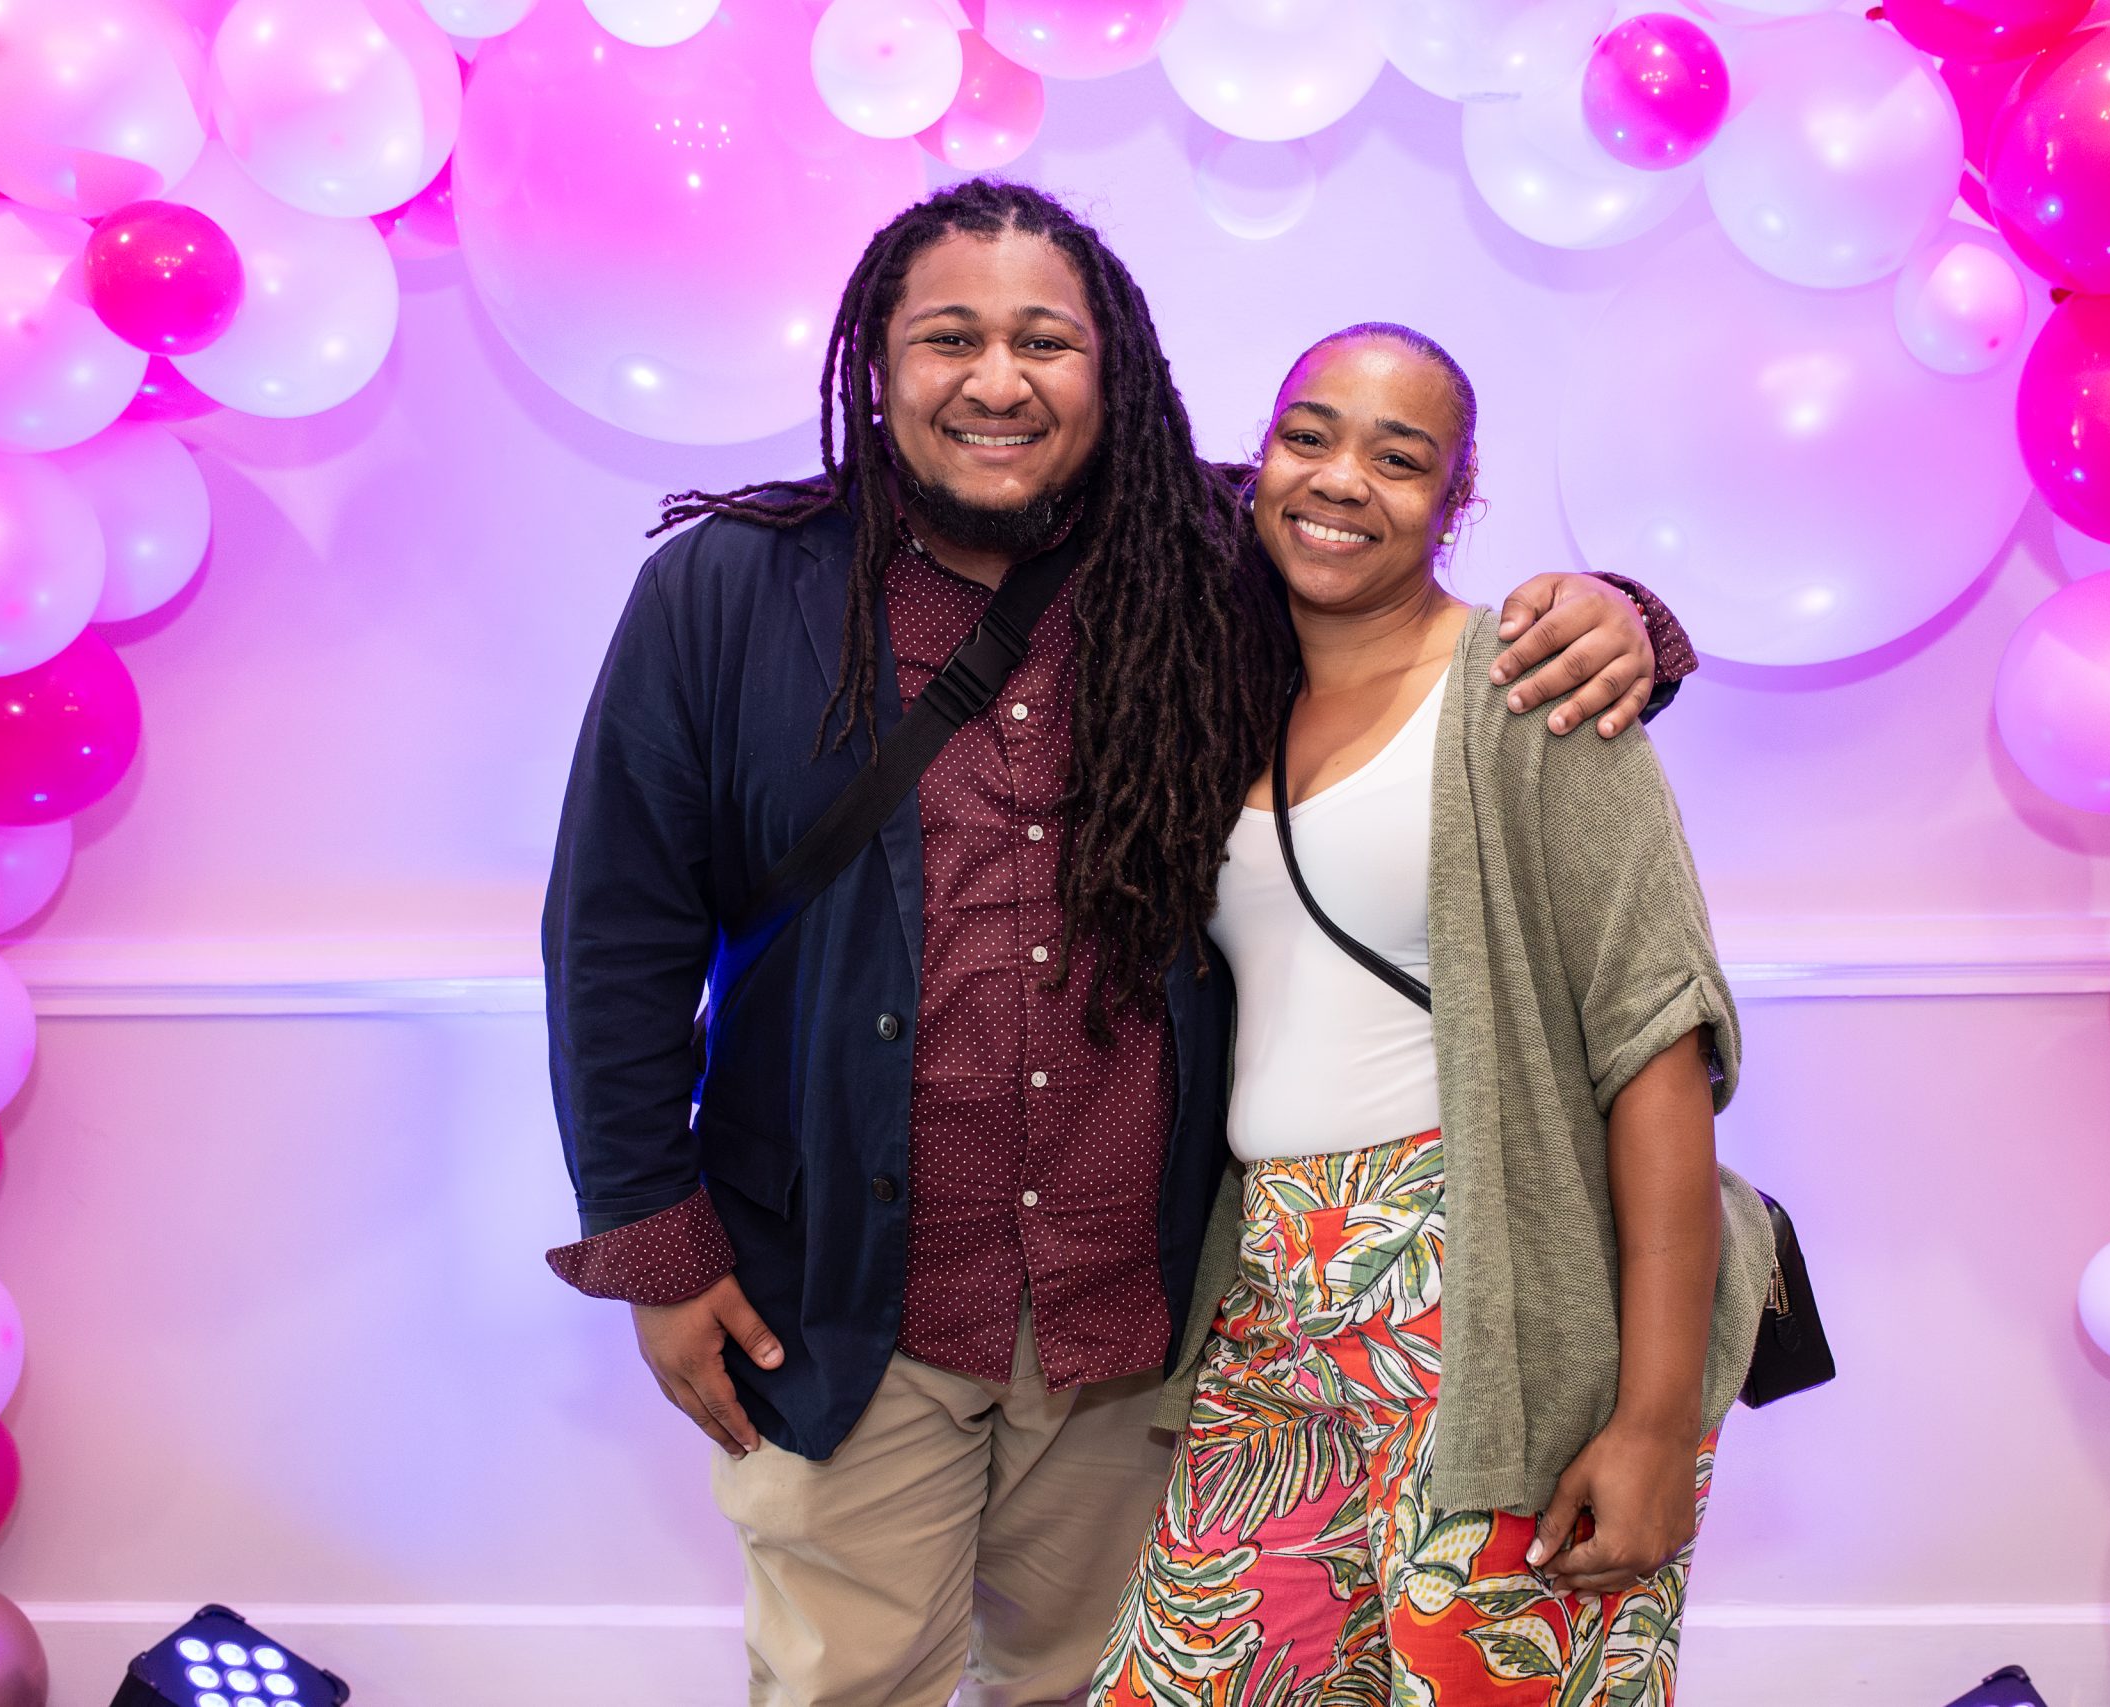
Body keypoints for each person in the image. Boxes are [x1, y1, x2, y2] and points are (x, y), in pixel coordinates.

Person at [540, 182, 1699, 1707]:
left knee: (1106, 1689)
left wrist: (1626, 618)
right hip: (840, 1293)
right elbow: (615, 935)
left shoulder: (1214, 554)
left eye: (1044, 341)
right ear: (877, 362)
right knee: (845, 1687)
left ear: (1116, 370)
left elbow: (1395, 583)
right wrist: (658, 1249)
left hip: (1137, 1314)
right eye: (950, 337)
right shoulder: (725, 590)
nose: (997, 380)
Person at [1090, 324, 1773, 1706]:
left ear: (1457, 500)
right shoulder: (1229, 693)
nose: (1342, 478)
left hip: (1492, 1283)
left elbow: (1658, 1047)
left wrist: (1651, 1423)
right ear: (1258, 457)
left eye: (1400, 460)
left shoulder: (1528, 686)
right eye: (1309, 436)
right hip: (1276, 1290)